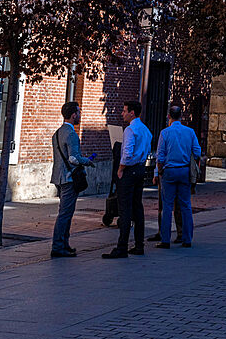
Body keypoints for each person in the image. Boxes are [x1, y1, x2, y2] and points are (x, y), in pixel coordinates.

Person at [103, 100, 152, 259]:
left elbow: (127, 153)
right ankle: (139, 244)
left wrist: (121, 168)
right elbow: (147, 149)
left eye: (124, 111)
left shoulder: (130, 130)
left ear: (132, 113)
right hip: (140, 169)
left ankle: (122, 246)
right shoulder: (145, 130)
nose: (122, 113)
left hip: (129, 170)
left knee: (124, 208)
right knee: (137, 207)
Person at [50, 101, 96, 259]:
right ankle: (58, 246)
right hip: (69, 178)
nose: (80, 115)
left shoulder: (57, 133)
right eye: (79, 112)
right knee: (65, 213)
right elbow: (73, 158)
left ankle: (64, 244)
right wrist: (87, 161)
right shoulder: (71, 134)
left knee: (64, 212)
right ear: (73, 115)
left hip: (58, 176)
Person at [156, 104, 201, 248]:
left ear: (169, 116)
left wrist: (160, 171)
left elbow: (160, 156)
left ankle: (165, 239)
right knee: (185, 205)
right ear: (181, 116)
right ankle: (187, 239)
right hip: (184, 171)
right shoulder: (190, 132)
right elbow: (197, 152)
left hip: (169, 171)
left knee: (167, 206)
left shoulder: (165, 133)